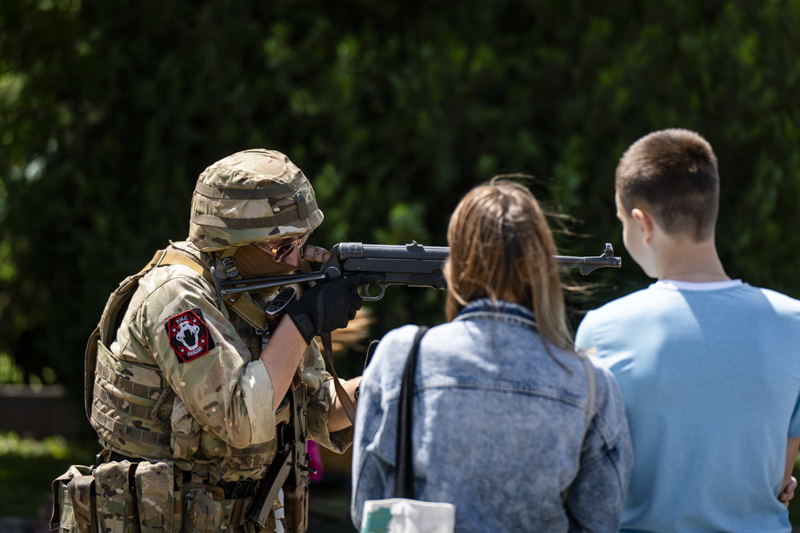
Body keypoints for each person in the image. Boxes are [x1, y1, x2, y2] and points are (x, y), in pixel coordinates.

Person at [59, 149, 366, 533]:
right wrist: (303, 323)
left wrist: (384, 383)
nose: (295, 261)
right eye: (281, 247)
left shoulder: (262, 292)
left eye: (302, 242)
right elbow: (239, 418)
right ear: (229, 241)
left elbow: (319, 408)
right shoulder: (175, 298)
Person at [351, 181, 634, 532]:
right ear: (542, 268)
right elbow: (599, 521)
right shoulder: (592, 385)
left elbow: (368, 509)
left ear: (454, 263)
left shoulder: (401, 357)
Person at [575, 129, 800, 532]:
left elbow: (588, 479)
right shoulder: (794, 323)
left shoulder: (602, 328)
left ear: (642, 223)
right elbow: (780, 483)